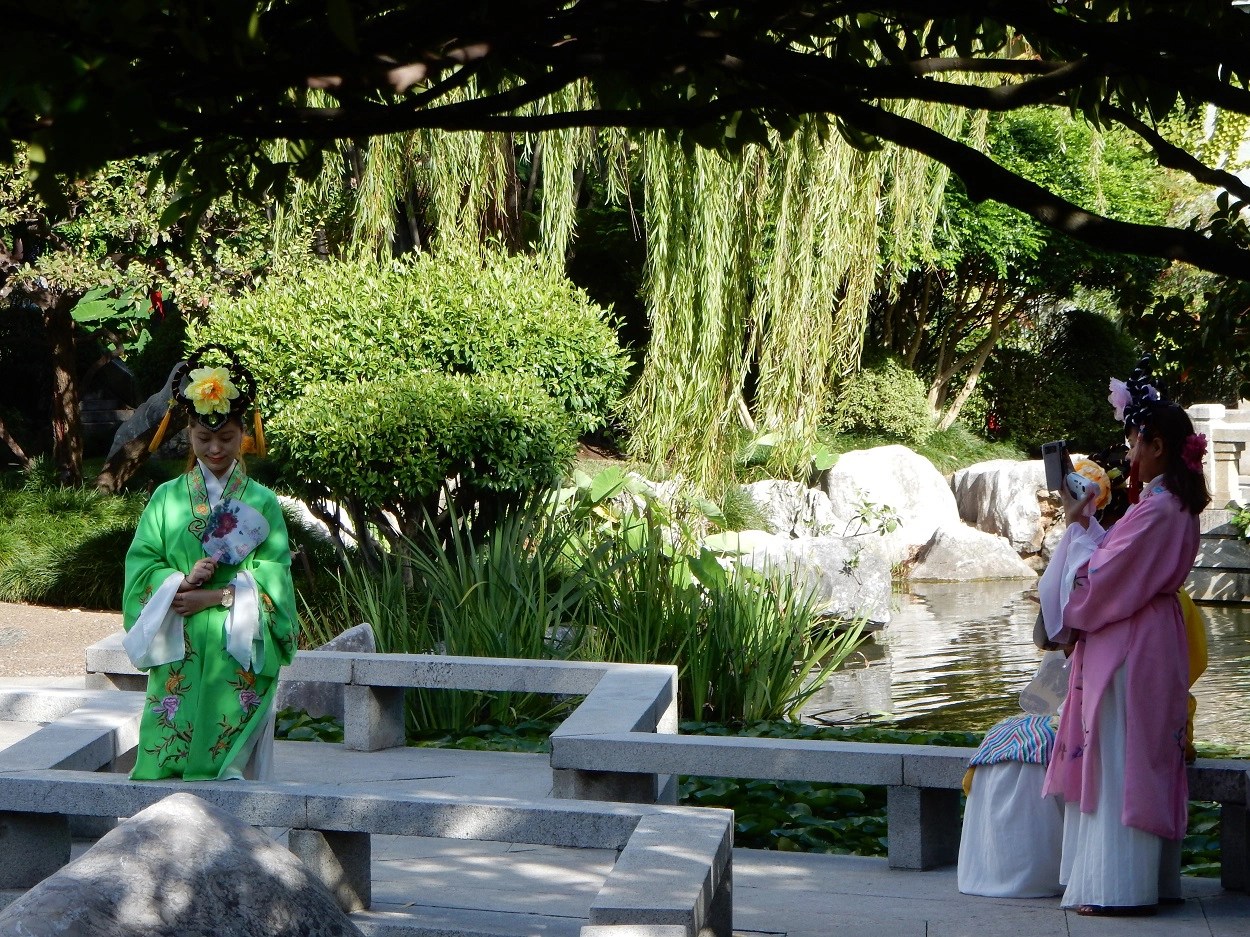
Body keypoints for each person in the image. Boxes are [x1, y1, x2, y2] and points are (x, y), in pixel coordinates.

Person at [1041, 359, 1209, 916]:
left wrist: (1077, 539)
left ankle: (1116, 888)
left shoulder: (1158, 508)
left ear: (1157, 445)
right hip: (1152, 635)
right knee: (1143, 756)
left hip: (1131, 642)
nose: (1129, 454)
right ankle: (1141, 881)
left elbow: (1105, 575)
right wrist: (1087, 527)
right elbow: (1117, 557)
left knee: (1118, 759)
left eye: (1135, 442)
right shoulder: (1171, 504)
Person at [122, 344, 298, 781]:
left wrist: (216, 596)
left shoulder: (262, 502)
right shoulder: (166, 498)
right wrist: (179, 579)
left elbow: (274, 574)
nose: (215, 449)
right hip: (178, 631)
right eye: (204, 439)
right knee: (172, 738)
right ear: (188, 436)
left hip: (233, 635)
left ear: (245, 434)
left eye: (226, 438)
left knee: (226, 751)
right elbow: (142, 563)